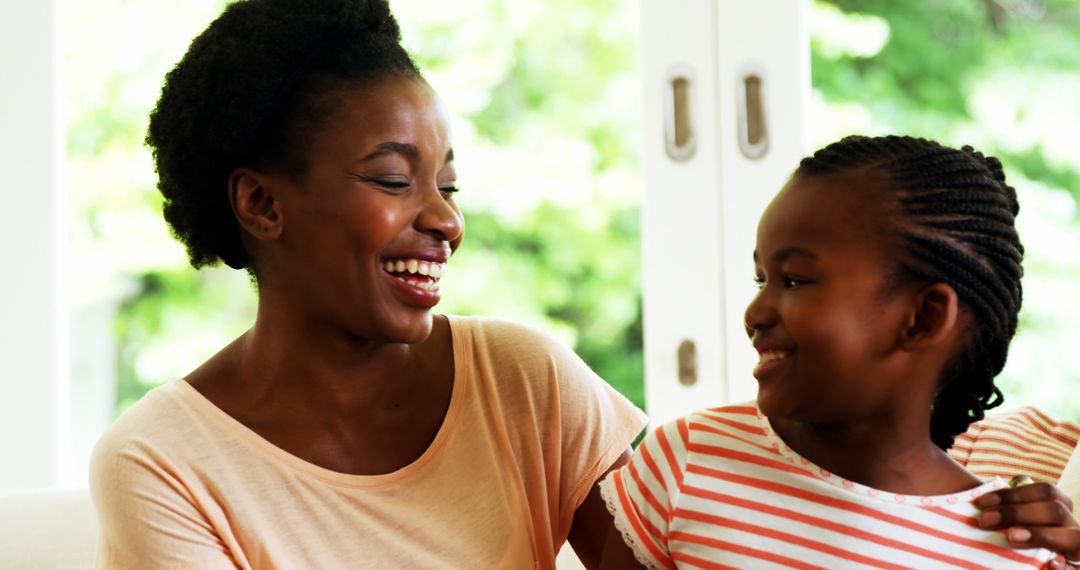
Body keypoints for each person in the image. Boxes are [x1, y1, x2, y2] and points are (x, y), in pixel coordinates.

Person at [88, 0, 647, 568]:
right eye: (393, 179)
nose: (447, 222)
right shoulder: (163, 462)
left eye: (447, 186)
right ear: (262, 203)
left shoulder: (524, 382)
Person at [597, 135, 1080, 569]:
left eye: (795, 281)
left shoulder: (1015, 549)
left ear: (924, 317)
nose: (756, 312)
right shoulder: (690, 459)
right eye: (762, 279)